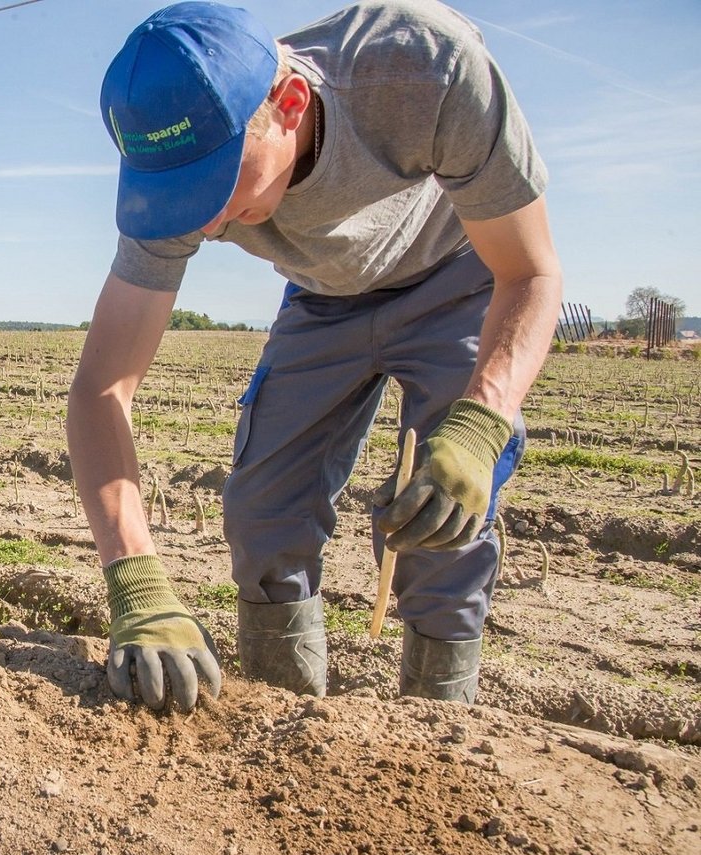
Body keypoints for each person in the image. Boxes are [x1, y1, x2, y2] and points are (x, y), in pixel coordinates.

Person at [69, 0, 561, 712]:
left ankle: (438, 745)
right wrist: (135, 579)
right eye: (179, 196)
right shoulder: (175, 185)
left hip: (457, 274)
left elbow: (532, 272)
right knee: (265, 513)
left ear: (290, 103)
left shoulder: (424, 66)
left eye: (215, 184)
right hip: (323, 296)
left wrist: (483, 422)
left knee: (443, 526)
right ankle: (289, 740)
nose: (202, 223)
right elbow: (99, 390)